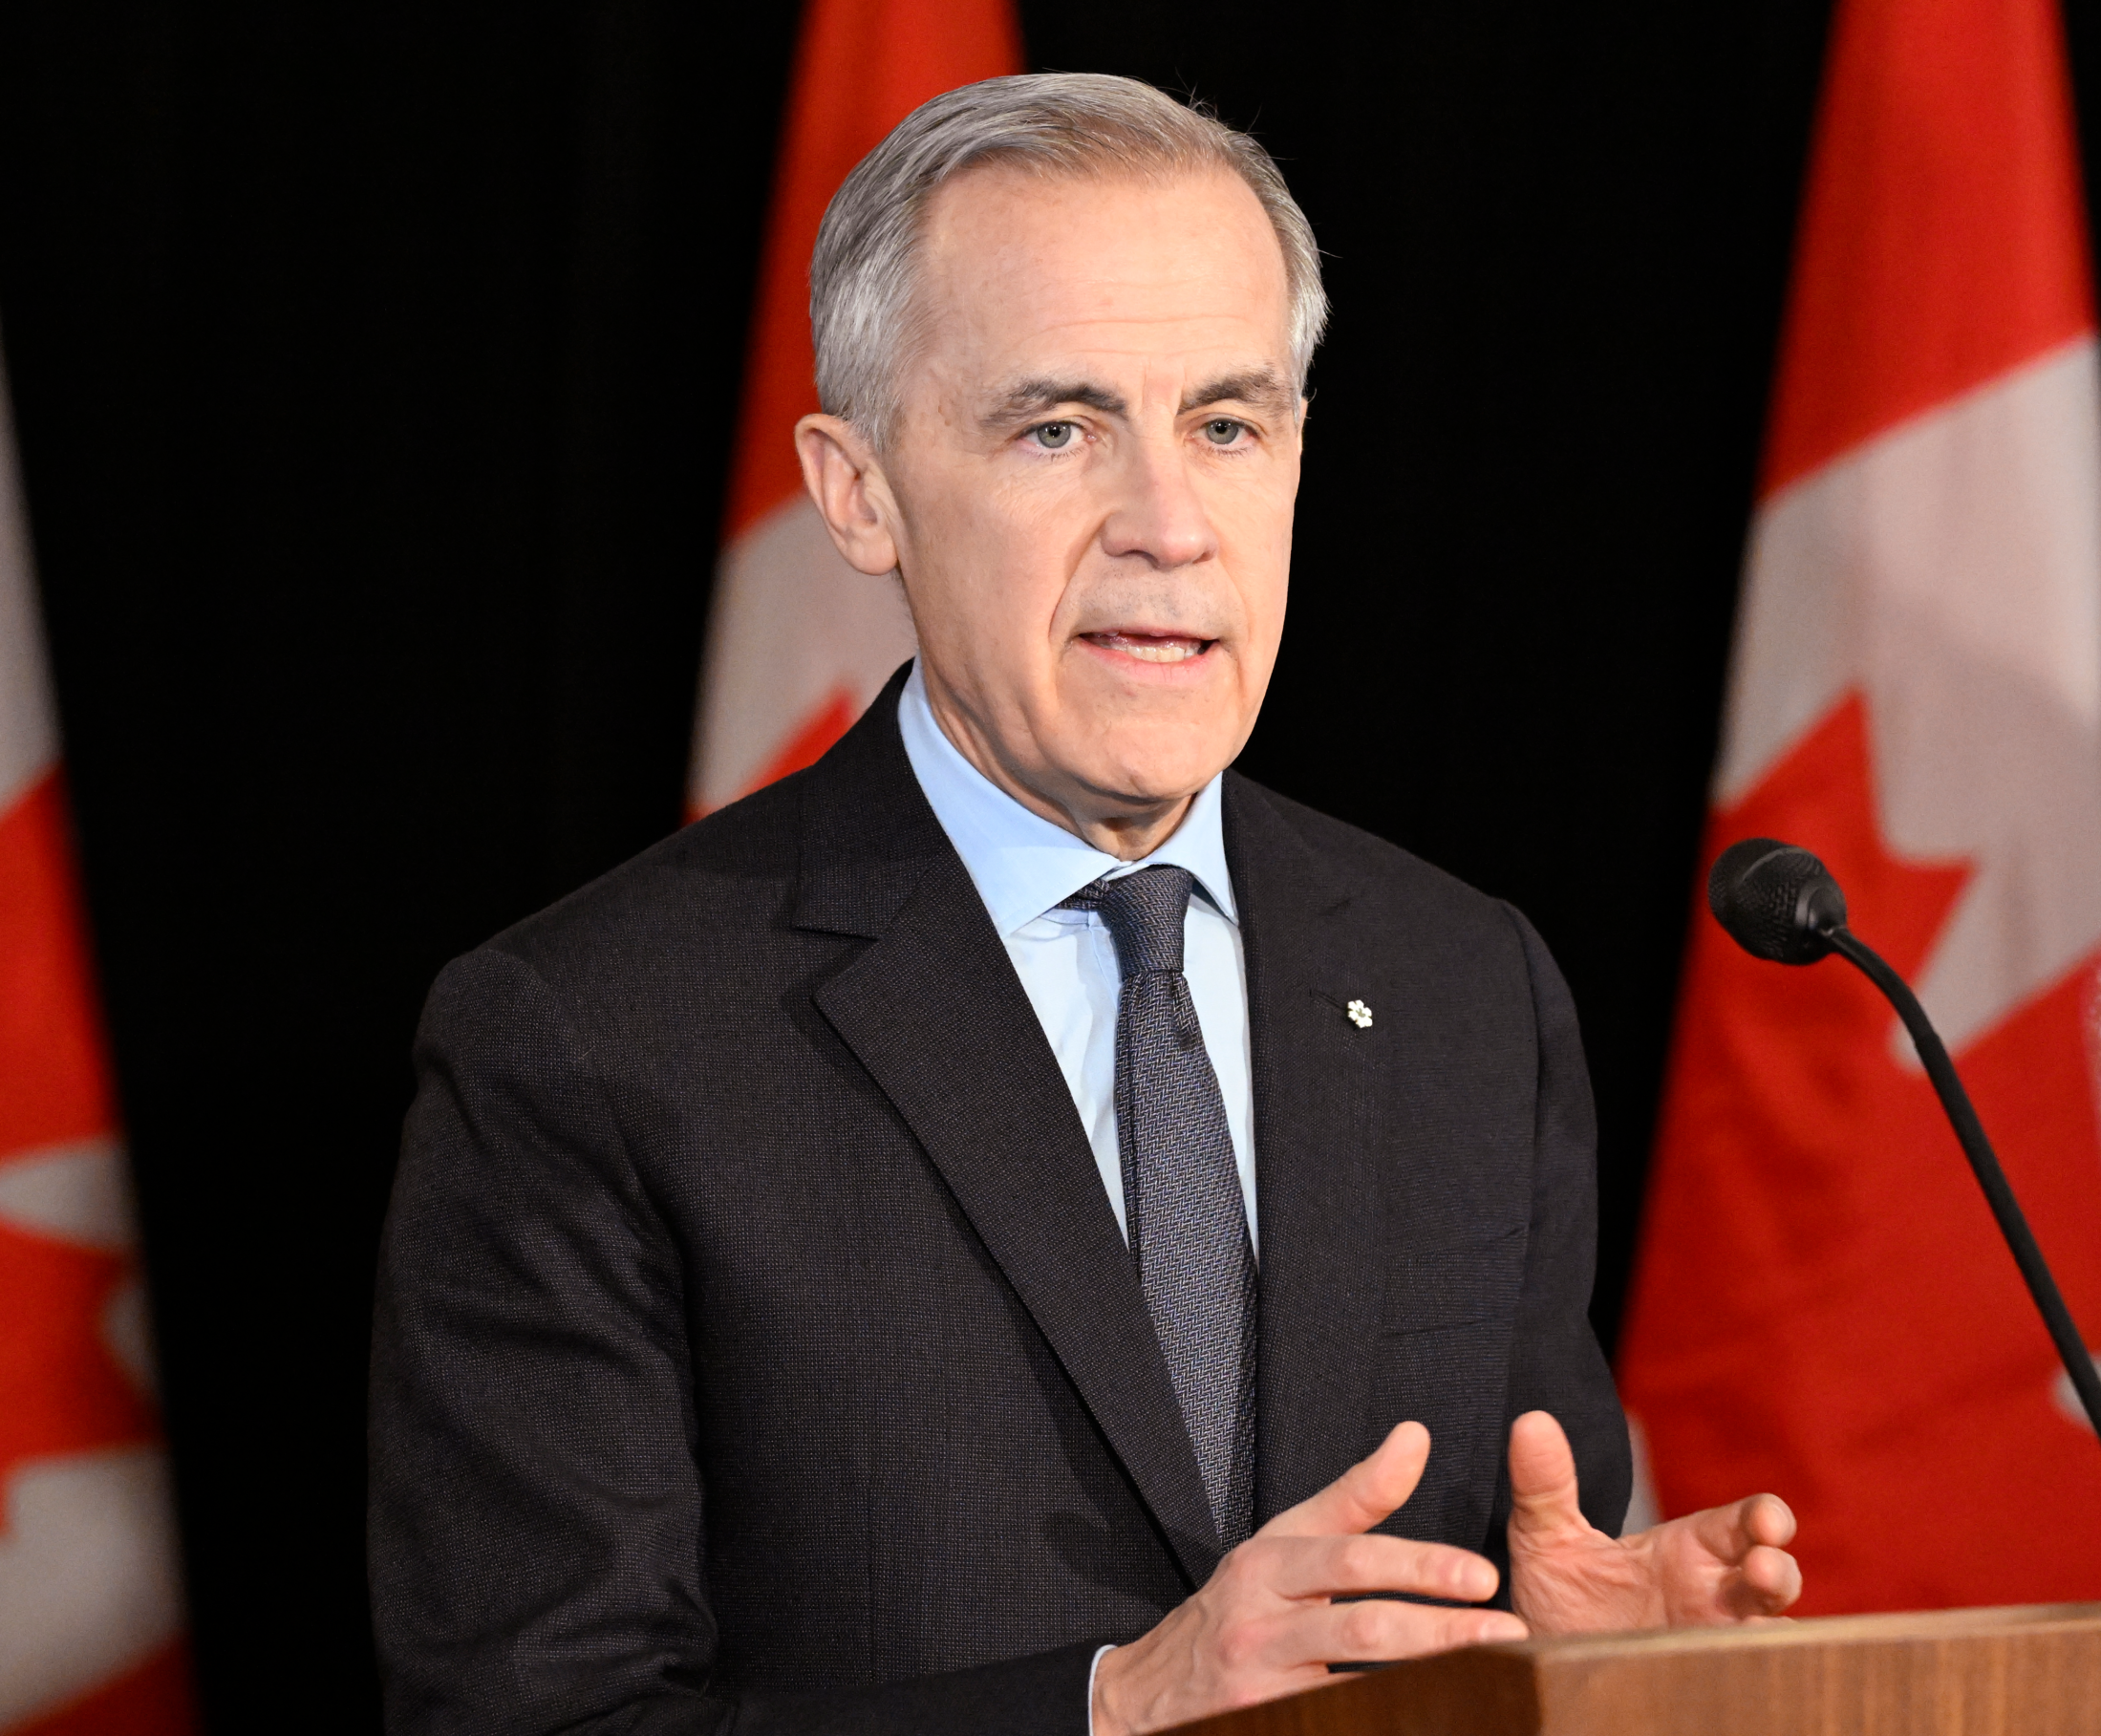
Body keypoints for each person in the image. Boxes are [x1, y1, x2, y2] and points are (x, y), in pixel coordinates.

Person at [368, 73, 1800, 1736]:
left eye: (1226, 426)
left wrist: (1569, 1671)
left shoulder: (1462, 984)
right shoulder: (595, 1040)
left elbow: (1505, 1576)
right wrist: (1112, 1710)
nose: (1170, 528)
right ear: (859, 492)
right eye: (1059, 429)